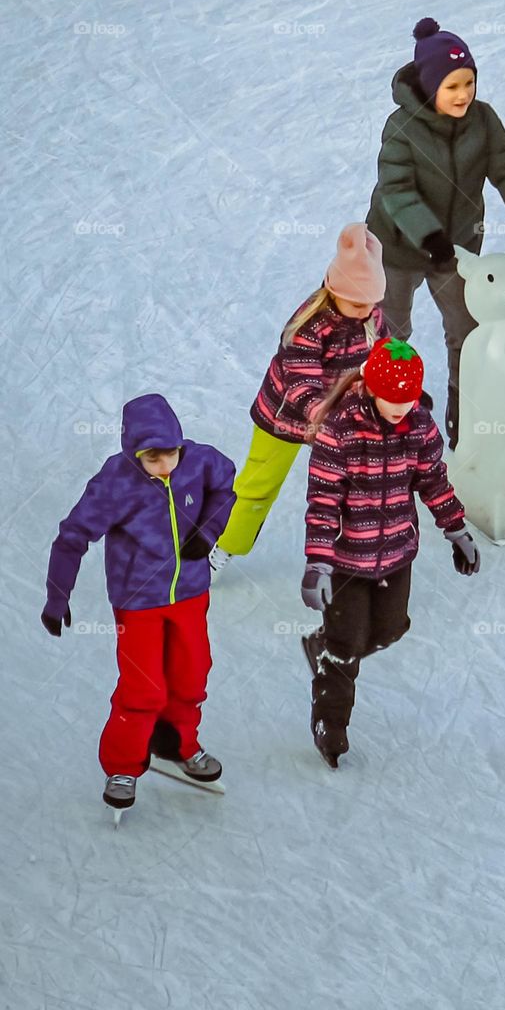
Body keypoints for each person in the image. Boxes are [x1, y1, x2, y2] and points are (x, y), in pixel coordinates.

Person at [41, 393, 236, 811]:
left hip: (190, 594)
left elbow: (226, 486)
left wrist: (209, 529)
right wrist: (58, 596)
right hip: (138, 602)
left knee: (191, 675)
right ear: (134, 453)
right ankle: (123, 765)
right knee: (143, 687)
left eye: (170, 455)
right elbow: (73, 537)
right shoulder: (115, 483)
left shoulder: (200, 461)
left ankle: (178, 744)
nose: (164, 466)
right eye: (152, 458)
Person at [299, 336, 480, 768]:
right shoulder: (340, 431)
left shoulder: (419, 426)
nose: (402, 406)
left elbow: (433, 481)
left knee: (389, 630)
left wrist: (456, 530)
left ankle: (321, 646)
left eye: (409, 398)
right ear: (371, 388)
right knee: (346, 649)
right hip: (346, 561)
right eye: (393, 398)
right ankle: (331, 724)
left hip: (397, 552)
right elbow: (323, 501)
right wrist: (318, 564)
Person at [366, 17, 505, 450]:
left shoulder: (483, 121)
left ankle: (466, 421)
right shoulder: (401, 127)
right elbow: (396, 188)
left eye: (469, 82)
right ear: (430, 88)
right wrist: (427, 235)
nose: (463, 94)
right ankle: (385, 419)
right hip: (399, 248)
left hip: (459, 251)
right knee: (392, 335)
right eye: (452, 86)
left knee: (468, 336)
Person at [209, 224, 388, 573]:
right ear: (334, 290)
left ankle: (351, 551)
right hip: (283, 417)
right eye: (357, 302)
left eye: (372, 302)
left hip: (337, 418)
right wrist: (324, 415)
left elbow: (380, 356)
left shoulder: (371, 316)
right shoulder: (310, 325)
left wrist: (395, 382)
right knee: (259, 487)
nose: (367, 309)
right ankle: (223, 547)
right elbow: (301, 381)